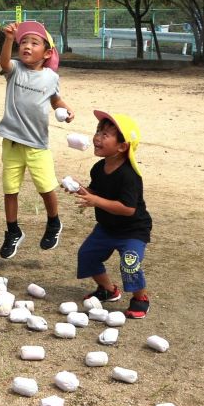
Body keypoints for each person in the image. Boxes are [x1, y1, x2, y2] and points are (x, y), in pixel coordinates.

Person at [0, 20, 74, 259]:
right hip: (11, 142)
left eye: (34, 43)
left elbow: (55, 100)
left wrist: (65, 109)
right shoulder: (15, 69)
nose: (27, 46)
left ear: (47, 52)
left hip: (37, 145)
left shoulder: (51, 77)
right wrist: (9, 39)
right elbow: (3, 62)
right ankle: (13, 231)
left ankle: (53, 222)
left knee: (46, 187)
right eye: (24, 42)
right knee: (10, 190)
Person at [65, 111, 152, 319]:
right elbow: (97, 193)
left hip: (132, 230)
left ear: (122, 147)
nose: (97, 137)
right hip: (106, 227)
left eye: (105, 135)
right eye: (98, 131)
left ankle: (140, 298)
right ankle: (108, 290)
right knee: (87, 255)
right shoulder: (98, 168)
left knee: (129, 263)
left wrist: (96, 201)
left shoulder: (130, 175)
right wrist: (83, 190)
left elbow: (127, 208)